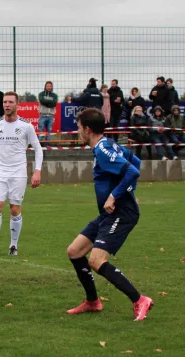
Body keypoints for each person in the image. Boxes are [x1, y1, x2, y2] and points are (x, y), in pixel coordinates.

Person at [65, 108, 153, 321]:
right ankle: (93, 302)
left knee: (96, 260)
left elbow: (133, 171)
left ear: (87, 129)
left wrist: (115, 196)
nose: (77, 132)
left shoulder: (103, 149)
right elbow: (136, 163)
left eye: (78, 128)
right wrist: (130, 191)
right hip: (110, 214)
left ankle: (139, 299)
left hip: (122, 213)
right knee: (75, 251)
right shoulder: (108, 144)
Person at [0, 92, 43, 256]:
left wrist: (37, 171)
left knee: (15, 209)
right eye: (5, 102)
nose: (7, 105)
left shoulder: (26, 126)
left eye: (10, 102)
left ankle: (13, 246)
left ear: (17, 104)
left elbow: (38, 148)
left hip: (18, 173)